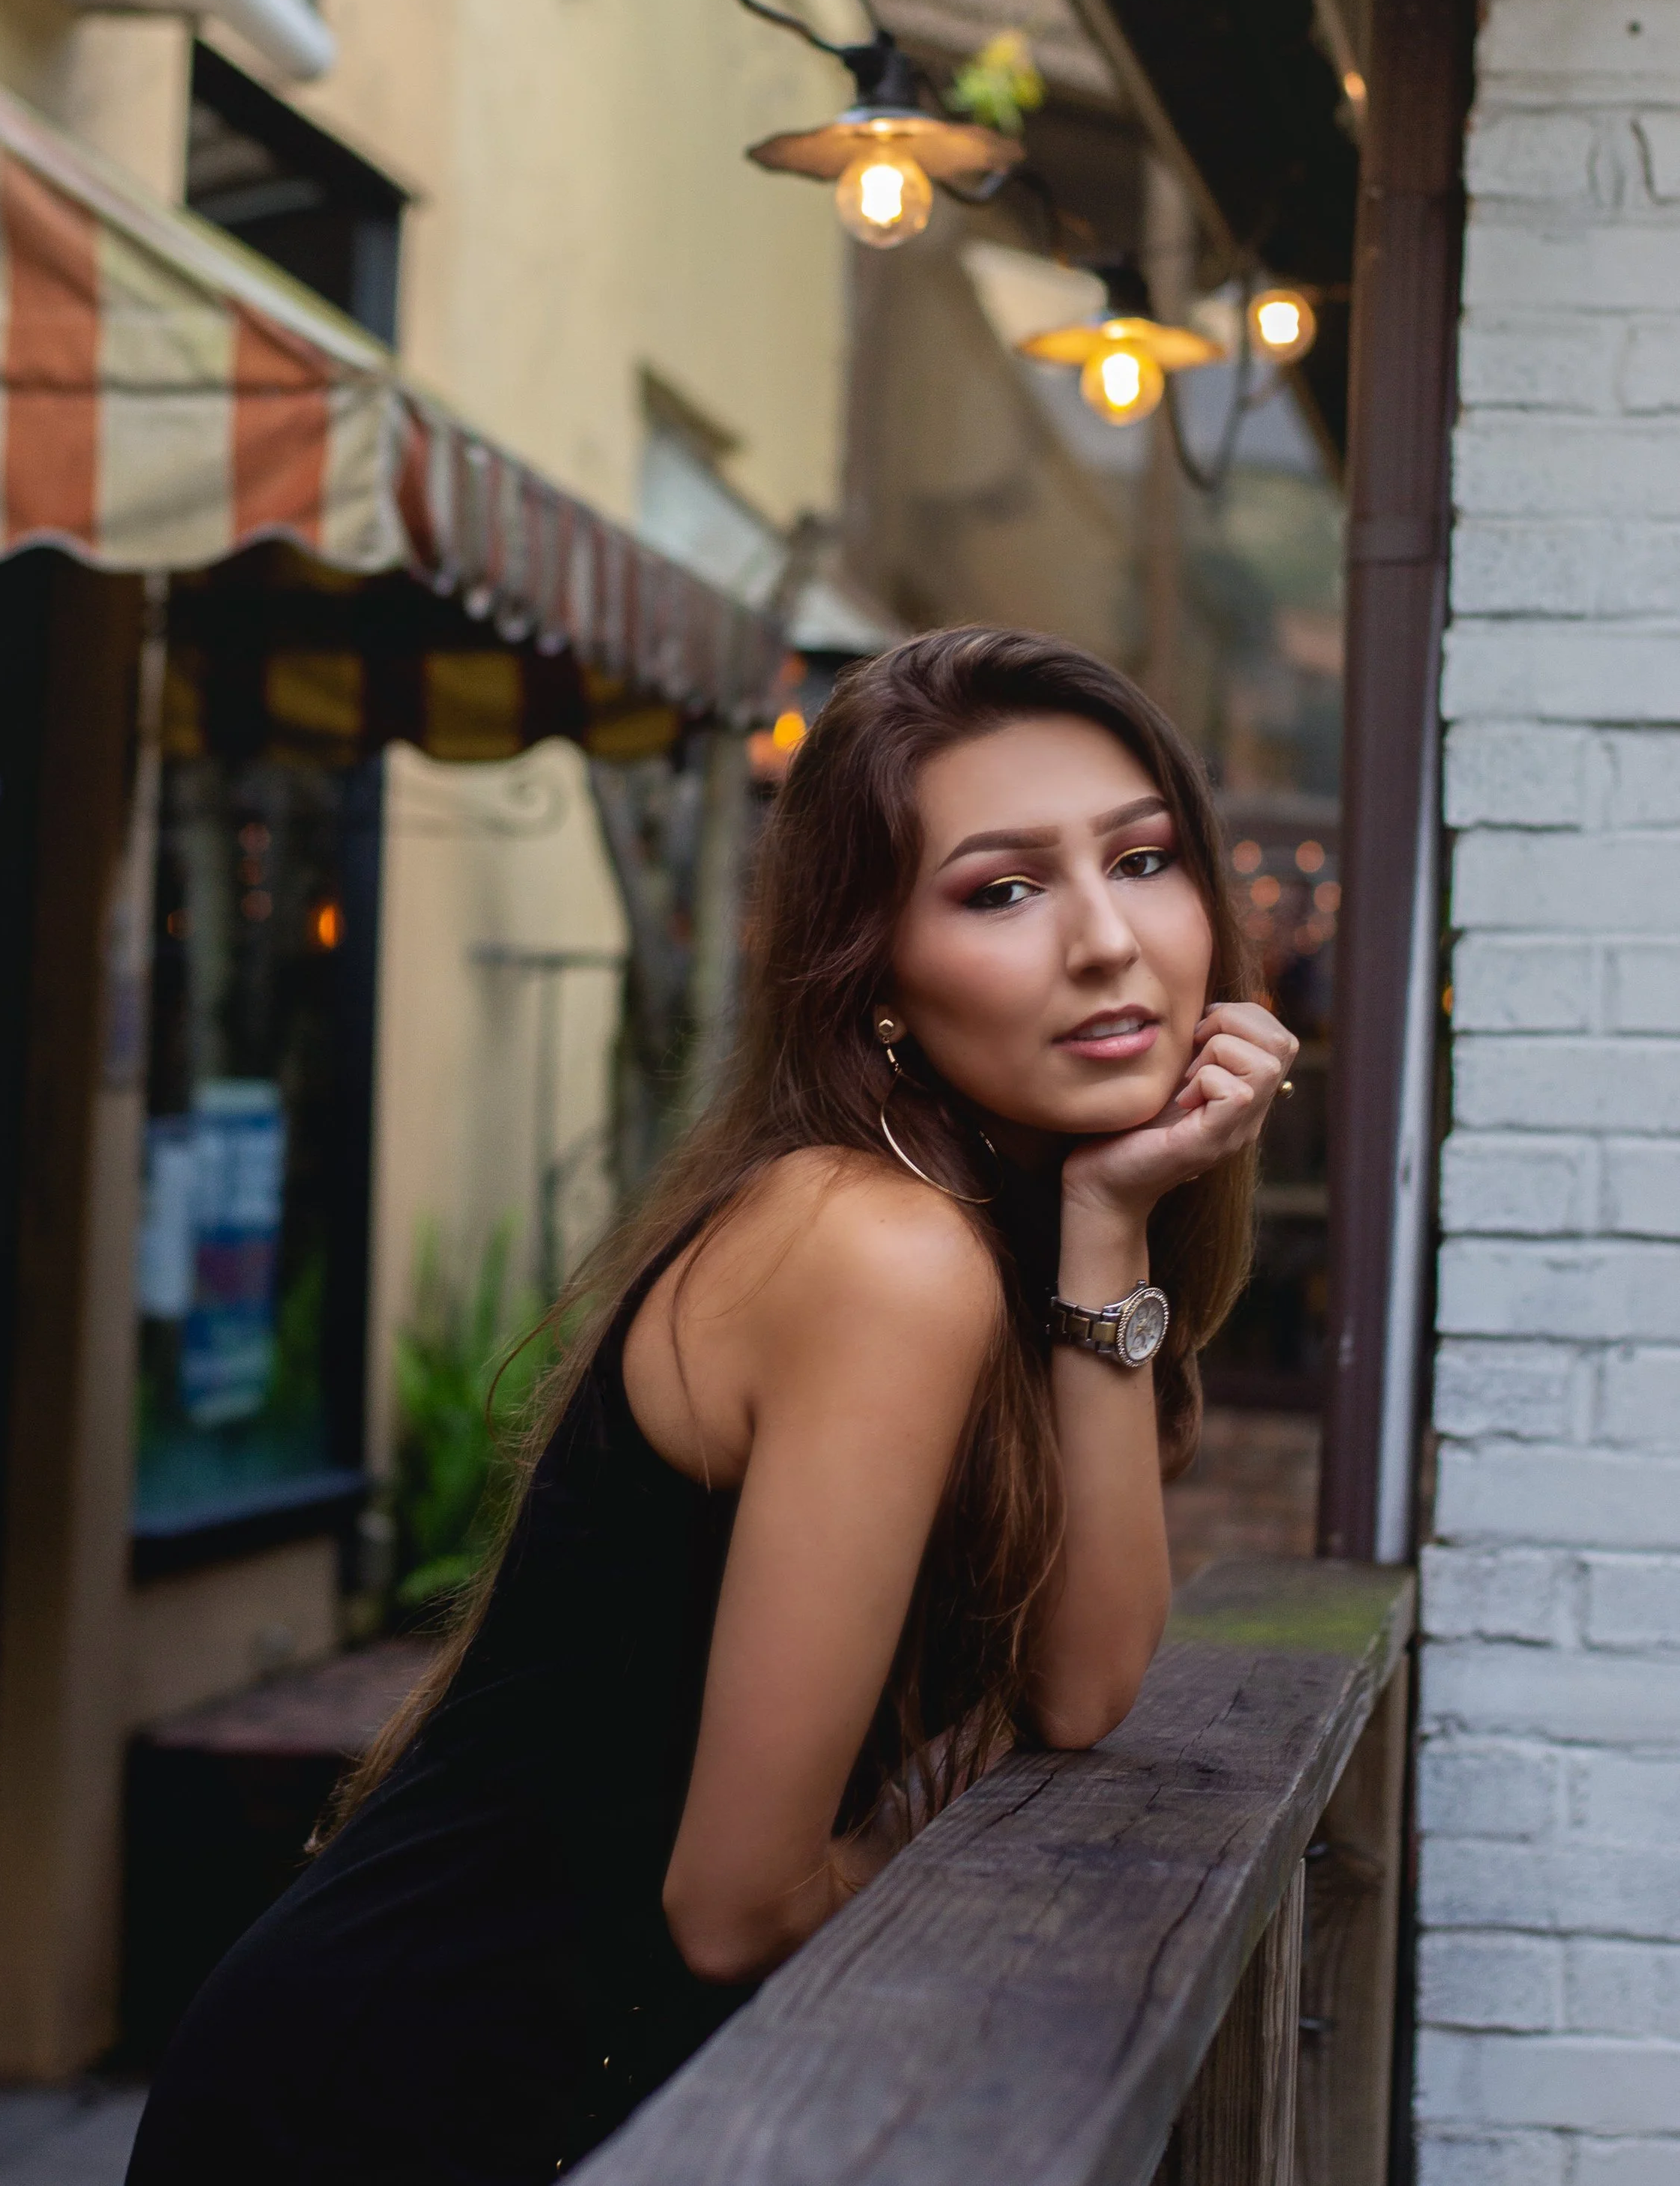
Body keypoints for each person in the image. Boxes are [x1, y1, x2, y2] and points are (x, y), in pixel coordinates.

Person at [125, 628, 1294, 2186]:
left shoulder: (1002, 1232)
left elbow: (1081, 1689)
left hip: (582, 2077)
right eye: (1000, 889)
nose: (1106, 942)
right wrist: (958, 1873)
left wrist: (1107, 1228)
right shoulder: (874, 1246)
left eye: (1142, 860)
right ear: (871, 972)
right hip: (403, 2088)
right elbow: (735, 1903)